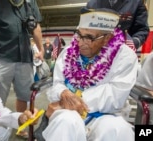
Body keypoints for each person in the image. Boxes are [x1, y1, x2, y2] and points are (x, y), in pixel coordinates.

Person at [41, 8, 138, 141]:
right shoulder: (68, 52)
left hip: (105, 115)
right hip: (68, 112)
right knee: (65, 121)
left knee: (117, 129)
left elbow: (115, 95)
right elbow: (58, 83)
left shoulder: (124, 56)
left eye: (89, 38)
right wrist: (63, 93)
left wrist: (72, 100)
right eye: (79, 34)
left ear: (107, 38)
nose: (80, 42)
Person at [0, 0, 44, 114]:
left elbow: (36, 27)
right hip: (1, 55)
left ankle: (20, 124)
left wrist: (40, 48)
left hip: (25, 57)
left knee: (25, 96)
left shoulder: (30, 2)